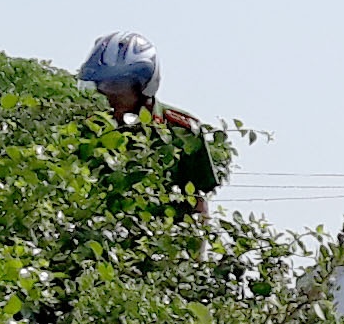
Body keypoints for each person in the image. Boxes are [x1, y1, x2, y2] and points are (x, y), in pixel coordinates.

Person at [76, 31, 230, 217]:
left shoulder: (183, 131)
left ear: (143, 84)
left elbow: (198, 204)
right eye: (102, 84)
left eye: (116, 84)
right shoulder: (92, 130)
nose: (108, 94)